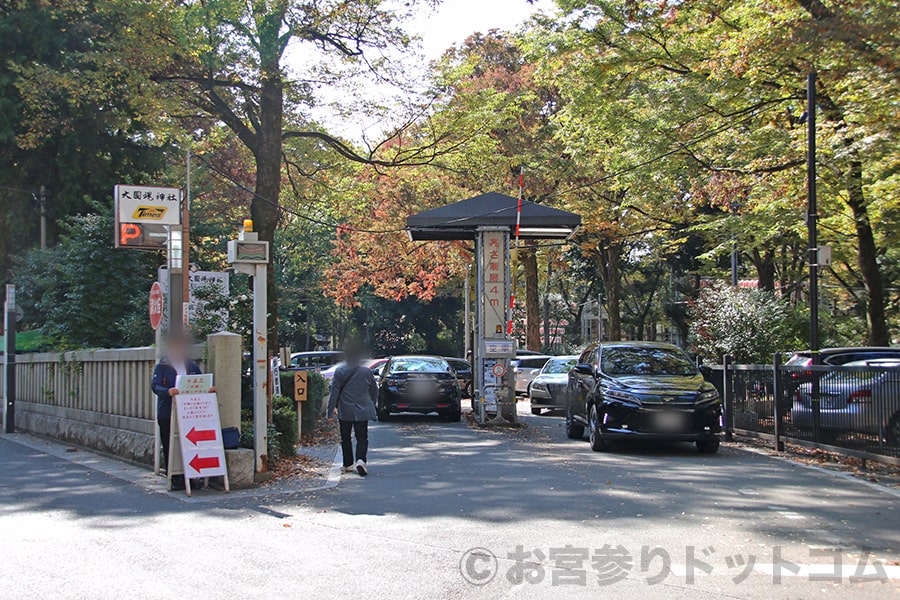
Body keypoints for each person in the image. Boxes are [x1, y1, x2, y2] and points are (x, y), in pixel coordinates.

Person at [150, 331, 214, 487]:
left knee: (190, 444)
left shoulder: (190, 365)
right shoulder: (162, 366)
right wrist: (168, 391)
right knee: (169, 444)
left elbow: (199, 381)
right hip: (168, 411)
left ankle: (192, 476)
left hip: (189, 412)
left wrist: (208, 389)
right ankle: (174, 477)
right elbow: (155, 386)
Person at [327, 341, 378, 476]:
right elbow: (374, 389)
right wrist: (372, 402)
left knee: (346, 437)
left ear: (346, 356)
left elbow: (334, 393)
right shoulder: (367, 372)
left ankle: (348, 464)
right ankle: (361, 460)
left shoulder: (340, 371)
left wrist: (329, 412)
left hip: (345, 409)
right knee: (362, 436)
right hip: (363, 408)